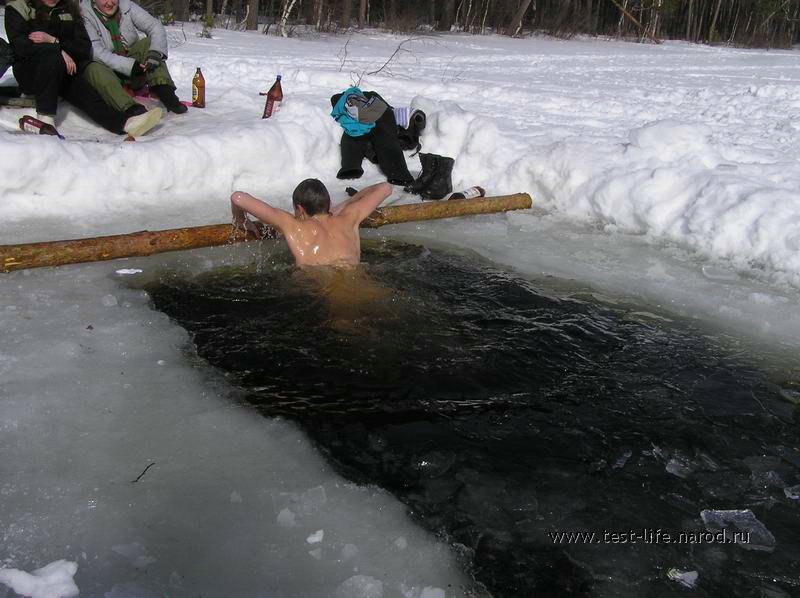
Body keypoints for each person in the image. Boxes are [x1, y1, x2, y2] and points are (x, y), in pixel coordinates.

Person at [4, 0, 162, 136]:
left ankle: (124, 124)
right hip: (31, 74)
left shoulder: (69, 9)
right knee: (53, 60)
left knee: (87, 95)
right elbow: (21, 47)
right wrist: (57, 50)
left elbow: (83, 47)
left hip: (65, 71)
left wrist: (55, 42)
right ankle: (46, 118)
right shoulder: (18, 8)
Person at [230, 179, 392, 268]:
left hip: (323, 288)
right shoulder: (349, 218)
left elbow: (237, 197)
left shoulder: (293, 226)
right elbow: (385, 188)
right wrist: (348, 203)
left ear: (300, 209)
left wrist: (240, 220)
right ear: (327, 203)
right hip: (359, 278)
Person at [80, 0, 187, 115]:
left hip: (133, 67)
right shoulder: (84, 14)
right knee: (94, 67)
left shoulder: (126, 6)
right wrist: (130, 66)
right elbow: (96, 52)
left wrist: (155, 54)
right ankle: (130, 108)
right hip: (107, 71)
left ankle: (165, 92)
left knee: (149, 43)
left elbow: (155, 26)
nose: (110, 3)